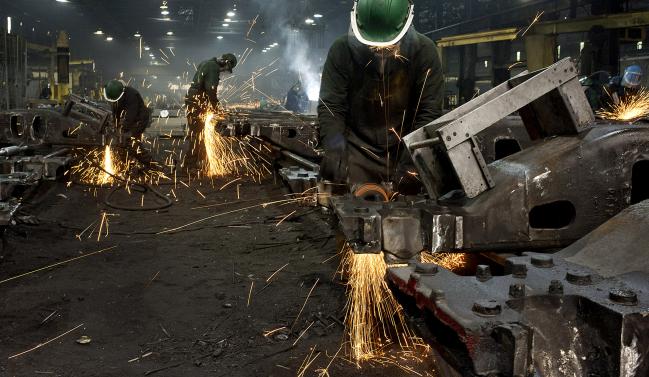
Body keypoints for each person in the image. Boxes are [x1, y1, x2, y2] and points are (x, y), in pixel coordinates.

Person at [317, 0, 444, 192]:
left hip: (405, 149)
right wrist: (334, 147)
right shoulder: (341, 51)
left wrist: (413, 160)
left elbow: (428, 113)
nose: (381, 51)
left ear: (406, 25)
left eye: (389, 45)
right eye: (372, 46)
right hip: (357, 151)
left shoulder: (425, 53)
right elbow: (332, 106)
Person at [184, 53, 238, 168]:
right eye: (226, 69)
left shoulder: (206, 62)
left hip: (194, 100)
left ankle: (199, 162)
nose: (223, 72)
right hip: (197, 101)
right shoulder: (213, 67)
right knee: (198, 134)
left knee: (197, 133)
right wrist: (217, 109)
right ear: (225, 63)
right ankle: (189, 166)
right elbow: (211, 91)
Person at [103, 79, 152, 163]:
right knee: (122, 142)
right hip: (130, 118)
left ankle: (149, 164)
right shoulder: (115, 94)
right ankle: (126, 163)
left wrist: (123, 130)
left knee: (131, 142)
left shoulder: (132, 96)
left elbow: (130, 117)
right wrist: (115, 124)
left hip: (139, 120)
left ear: (122, 94)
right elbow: (116, 112)